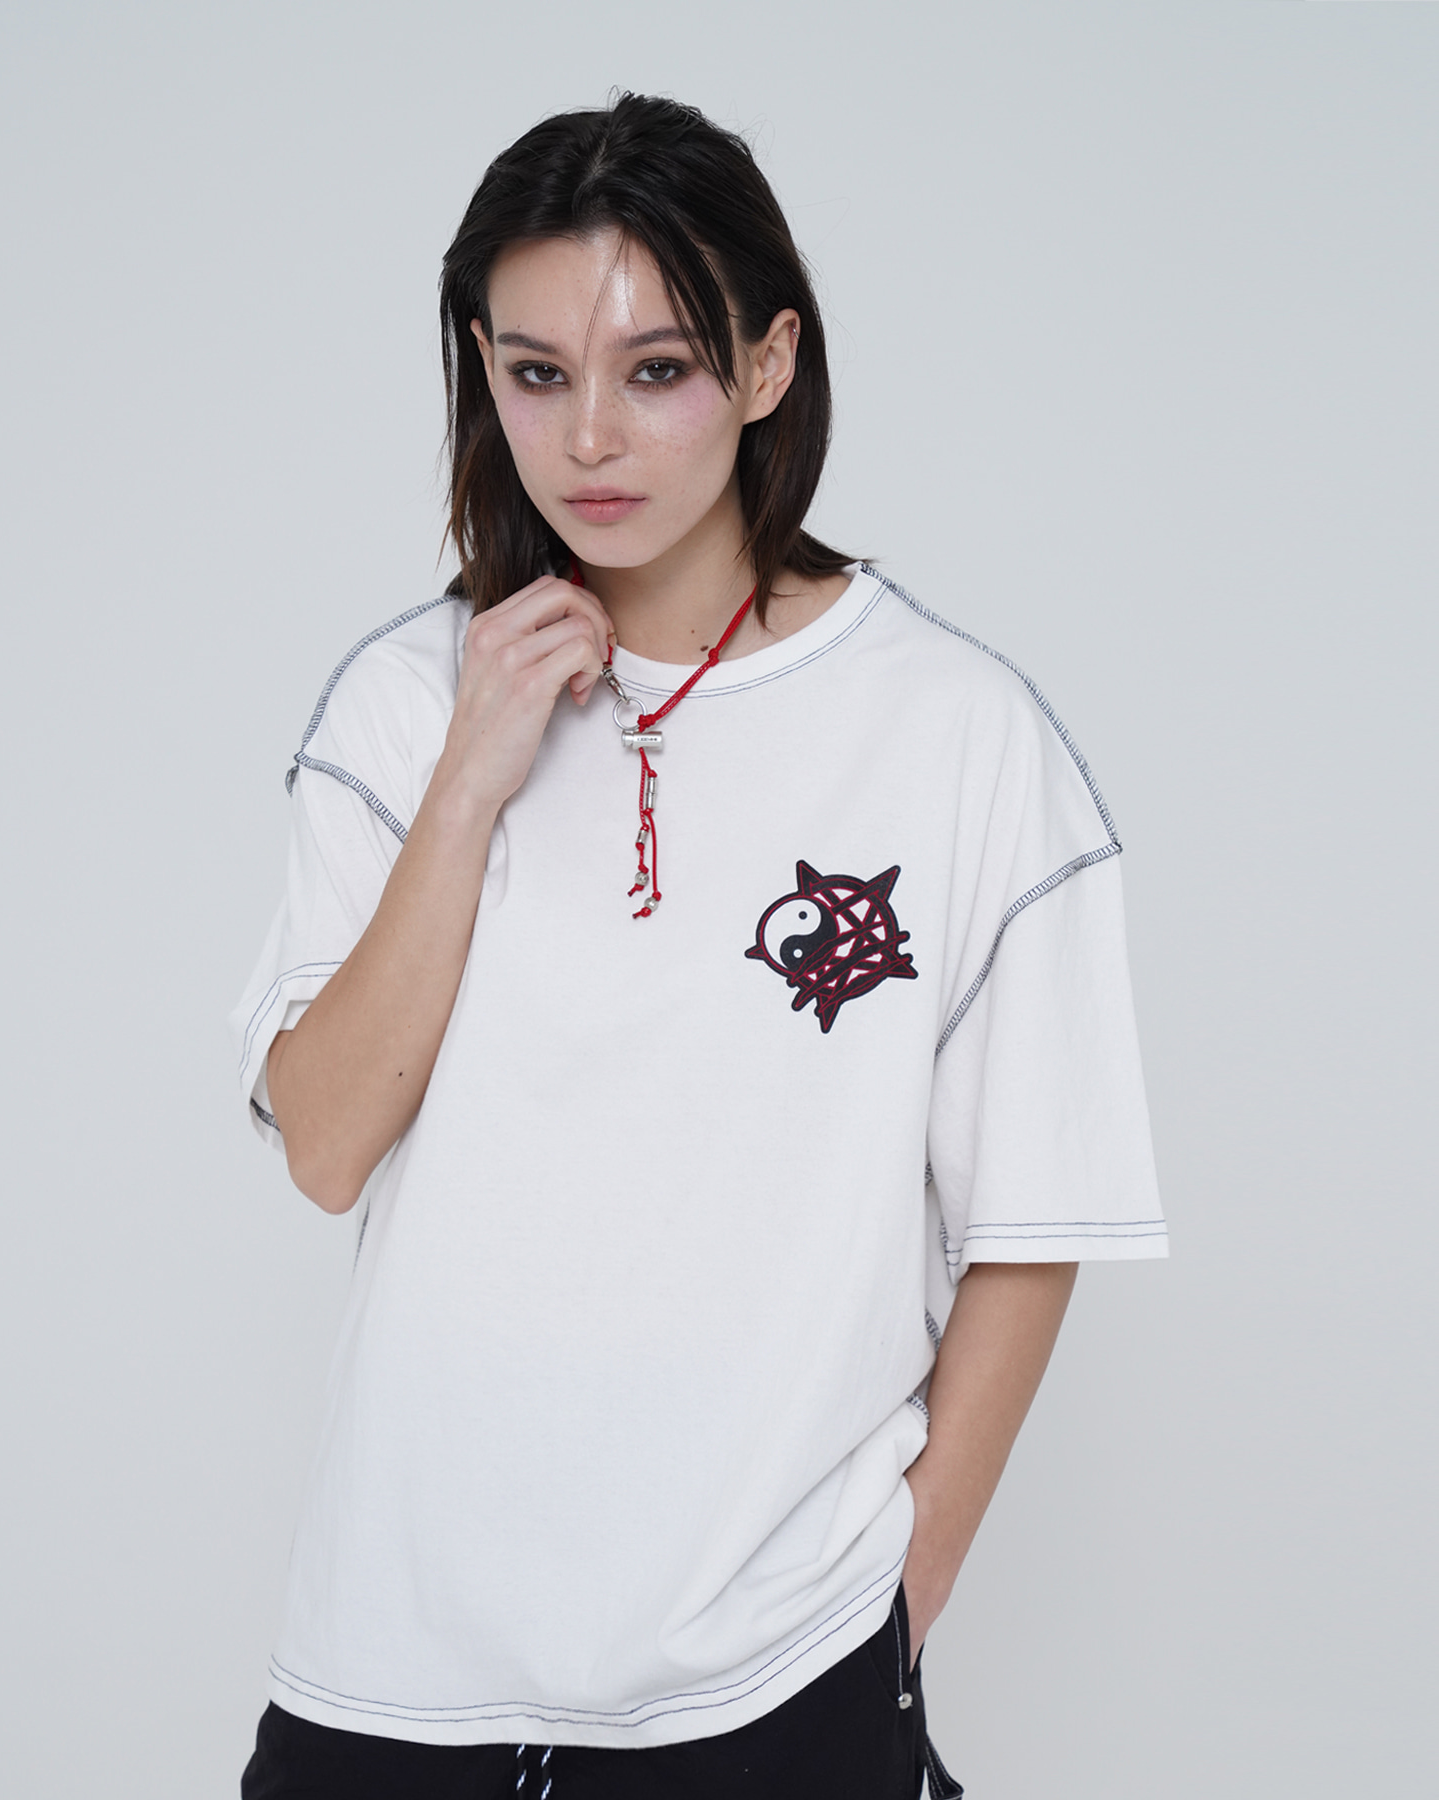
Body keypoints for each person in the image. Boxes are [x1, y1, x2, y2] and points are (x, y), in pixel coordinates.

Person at [232, 92, 1166, 1800]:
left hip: (780, 1677)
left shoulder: (957, 734)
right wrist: (473, 774)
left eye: (655, 369)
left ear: (766, 363)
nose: (589, 436)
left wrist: (891, 1611)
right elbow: (326, 1141)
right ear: (480, 371)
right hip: (395, 1673)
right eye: (535, 373)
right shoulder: (400, 708)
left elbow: (1035, 1223)